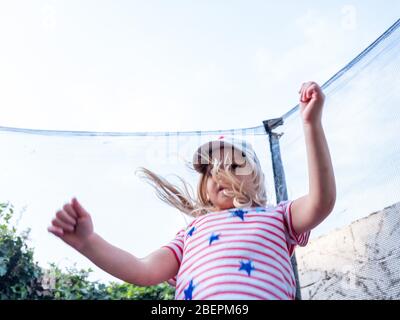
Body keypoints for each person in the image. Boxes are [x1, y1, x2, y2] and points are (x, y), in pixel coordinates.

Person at [48, 81, 336, 300]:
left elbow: (320, 202)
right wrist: (88, 242)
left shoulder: (278, 217)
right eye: (212, 171)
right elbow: (143, 269)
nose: (220, 176)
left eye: (233, 167)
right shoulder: (191, 233)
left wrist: (311, 124)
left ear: (257, 181)